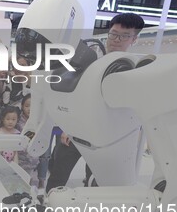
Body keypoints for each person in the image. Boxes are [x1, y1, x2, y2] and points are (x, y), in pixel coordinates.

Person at [46, 12, 145, 192]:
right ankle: (46, 209)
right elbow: (72, 96)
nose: (116, 39)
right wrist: (69, 127)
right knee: (58, 174)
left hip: (107, 139)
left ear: (134, 39)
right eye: (114, 33)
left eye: (124, 36)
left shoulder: (134, 69)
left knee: (96, 182)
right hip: (75, 132)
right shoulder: (87, 60)